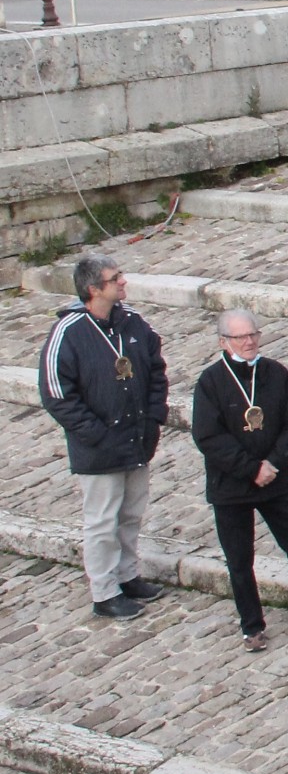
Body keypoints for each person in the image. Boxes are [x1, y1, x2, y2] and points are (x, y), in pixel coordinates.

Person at [190, 311, 288, 649]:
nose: (249, 342)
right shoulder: (210, 382)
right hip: (231, 487)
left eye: (253, 335)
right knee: (239, 559)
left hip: (275, 481)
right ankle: (251, 627)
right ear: (224, 342)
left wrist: (274, 463)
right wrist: (251, 469)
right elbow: (208, 438)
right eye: (240, 337)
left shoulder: (275, 373)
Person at [38, 254, 169, 620]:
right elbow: (55, 393)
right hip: (98, 449)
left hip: (137, 440)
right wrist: (96, 433)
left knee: (130, 514)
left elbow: (157, 370)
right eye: (116, 279)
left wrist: (154, 417)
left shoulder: (133, 323)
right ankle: (104, 591)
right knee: (101, 522)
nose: (123, 282)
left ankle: (128, 575)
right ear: (94, 289)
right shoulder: (69, 332)